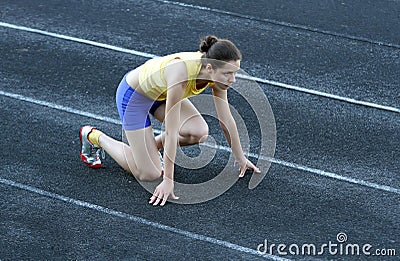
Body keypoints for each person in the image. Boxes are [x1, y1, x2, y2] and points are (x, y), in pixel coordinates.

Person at [79, 35, 260, 206]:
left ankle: (150, 150)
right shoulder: (181, 73)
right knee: (149, 174)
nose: (233, 79)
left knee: (199, 132)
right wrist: (168, 180)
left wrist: (240, 157)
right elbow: (171, 131)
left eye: (235, 73)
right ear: (210, 69)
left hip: (161, 94)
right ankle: (94, 137)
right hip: (134, 96)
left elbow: (226, 119)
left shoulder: (216, 74)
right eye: (228, 74)